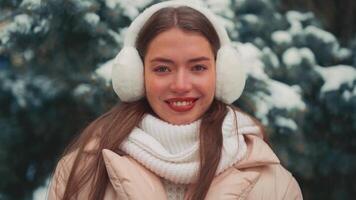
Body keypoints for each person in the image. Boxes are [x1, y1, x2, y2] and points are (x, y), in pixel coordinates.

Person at [48, 0, 303, 199]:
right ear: (137, 75)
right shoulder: (82, 172)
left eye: (198, 68)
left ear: (222, 73)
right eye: (162, 69)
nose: (181, 85)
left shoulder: (274, 184)